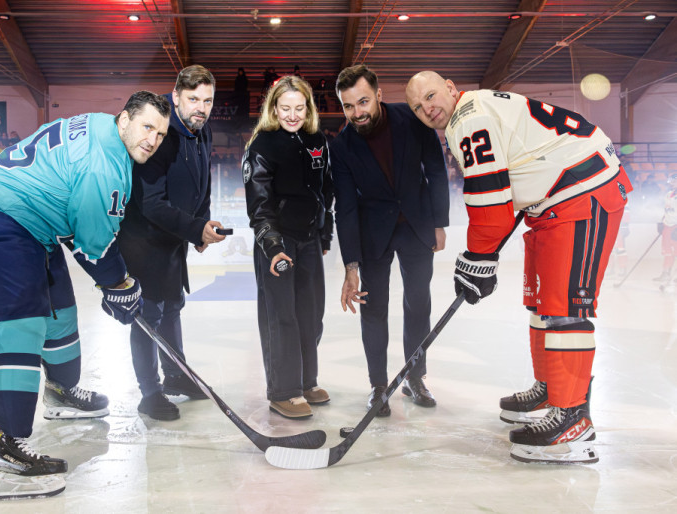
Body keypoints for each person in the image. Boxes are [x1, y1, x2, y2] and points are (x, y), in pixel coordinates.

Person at [406, 71, 632, 464]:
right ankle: (552, 388)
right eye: (417, 106)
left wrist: (478, 257)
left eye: (430, 95)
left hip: (580, 196)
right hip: (552, 204)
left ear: (450, 87)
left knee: (566, 312)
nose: (427, 108)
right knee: (543, 305)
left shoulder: (468, 119)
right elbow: (505, 189)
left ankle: (573, 418)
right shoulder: (476, 109)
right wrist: (481, 258)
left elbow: (490, 201)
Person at [0, 91, 170, 499]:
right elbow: (94, 243)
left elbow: (75, 217)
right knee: (21, 324)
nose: (153, 139)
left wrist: (115, 284)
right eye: (147, 127)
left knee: (60, 312)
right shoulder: (105, 166)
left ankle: (61, 390)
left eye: (160, 133)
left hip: (34, 220)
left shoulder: (97, 123)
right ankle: (1, 447)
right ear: (125, 119)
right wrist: (121, 286)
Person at [331, 65, 450, 417]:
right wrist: (351, 264)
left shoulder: (412, 119)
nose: (357, 112)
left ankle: (416, 377)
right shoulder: (341, 147)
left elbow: (436, 169)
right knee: (374, 309)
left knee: (418, 303)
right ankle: (378, 385)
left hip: (416, 226)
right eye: (349, 106)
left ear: (379, 95)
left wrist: (440, 224)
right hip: (373, 235)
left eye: (363, 102)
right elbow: (346, 208)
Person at [119, 65, 226, 422]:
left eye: (207, 101)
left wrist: (202, 224)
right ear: (176, 96)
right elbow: (151, 203)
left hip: (173, 238)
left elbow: (203, 181)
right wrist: (195, 228)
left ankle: (177, 374)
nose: (201, 107)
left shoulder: (201, 128)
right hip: (143, 240)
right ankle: (150, 393)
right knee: (148, 316)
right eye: (193, 99)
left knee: (173, 306)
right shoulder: (161, 132)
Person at [242, 75, 335, 419]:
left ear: (308, 108)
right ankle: (283, 390)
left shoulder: (317, 140)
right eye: (285, 108)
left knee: (311, 314)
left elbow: (326, 190)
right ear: (273, 108)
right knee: (281, 315)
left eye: (299, 108)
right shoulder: (262, 145)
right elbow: (260, 204)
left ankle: (306, 381)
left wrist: (325, 234)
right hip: (278, 242)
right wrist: (272, 244)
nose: (292, 115)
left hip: (310, 238)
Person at [654, 173, 677, 282]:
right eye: (671, 181)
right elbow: (666, 210)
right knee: (667, 251)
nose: (672, 184)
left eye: (674, 181)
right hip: (667, 226)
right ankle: (665, 273)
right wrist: (662, 222)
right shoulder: (668, 194)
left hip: (675, 226)